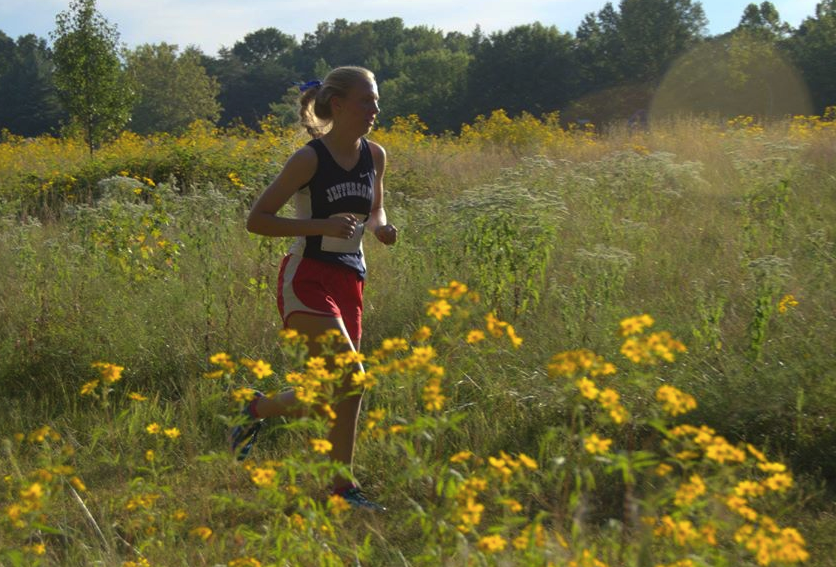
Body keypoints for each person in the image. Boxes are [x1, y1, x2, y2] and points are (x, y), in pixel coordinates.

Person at [230, 66, 397, 511]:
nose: (375, 109)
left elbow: (375, 208)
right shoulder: (309, 160)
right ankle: (343, 490)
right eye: (366, 101)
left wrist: (381, 228)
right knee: (353, 380)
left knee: (331, 395)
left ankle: (256, 410)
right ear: (338, 106)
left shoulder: (375, 155)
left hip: (351, 278)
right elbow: (257, 220)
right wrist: (320, 224)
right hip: (306, 278)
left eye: (376, 100)